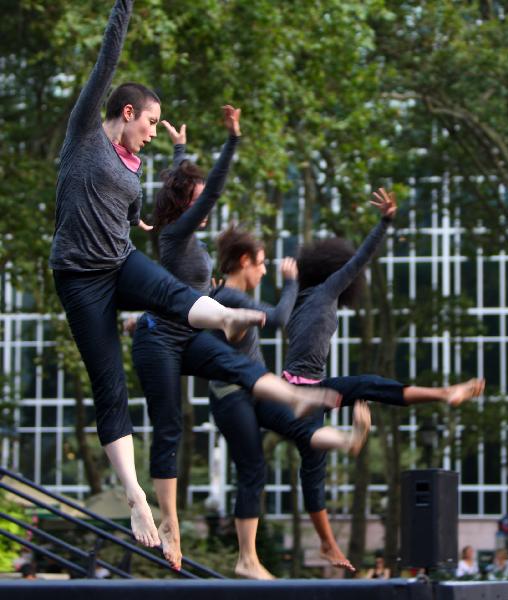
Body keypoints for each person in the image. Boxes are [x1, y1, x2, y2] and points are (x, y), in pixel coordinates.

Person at [49, 0, 303, 549]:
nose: (150, 132)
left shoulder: (133, 164)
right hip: (78, 279)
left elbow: (147, 197)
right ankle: (138, 500)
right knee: (109, 387)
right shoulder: (86, 136)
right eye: (147, 122)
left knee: (172, 293)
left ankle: (233, 315)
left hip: (118, 262)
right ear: (124, 112)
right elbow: (106, 61)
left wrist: (171, 167)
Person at [131, 110, 340, 569]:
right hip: (161, 342)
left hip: (187, 336)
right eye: (199, 199)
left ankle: (299, 401)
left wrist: (182, 151)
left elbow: (178, 190)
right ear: (188, 205)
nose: (207, 206)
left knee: (246, 369)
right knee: (169, 428)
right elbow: (205, 195)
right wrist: (232, 140)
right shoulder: (176, 234)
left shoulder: (186, 237)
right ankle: (169, 522)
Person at [281, 188, 486, 571]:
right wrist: (386, 222)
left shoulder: (296, 301)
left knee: (317, 460)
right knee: (361, 397)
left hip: (306, 388)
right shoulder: (327, 290)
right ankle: (428, 400)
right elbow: (360, 261)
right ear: (331, 271)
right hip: (300, 391)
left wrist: (288, 280)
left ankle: (327, 542)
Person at [209, 226, 371, 579]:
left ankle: (347, 440)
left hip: (254, 389)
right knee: (253, 471)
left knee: (302, 428)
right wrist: (290, 282)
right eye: (262, 264)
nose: (265, 270)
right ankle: (247, 559)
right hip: (231, 396)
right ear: (244, 262)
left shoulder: (220, 295)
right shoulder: (229, 298)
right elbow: (279, 317)